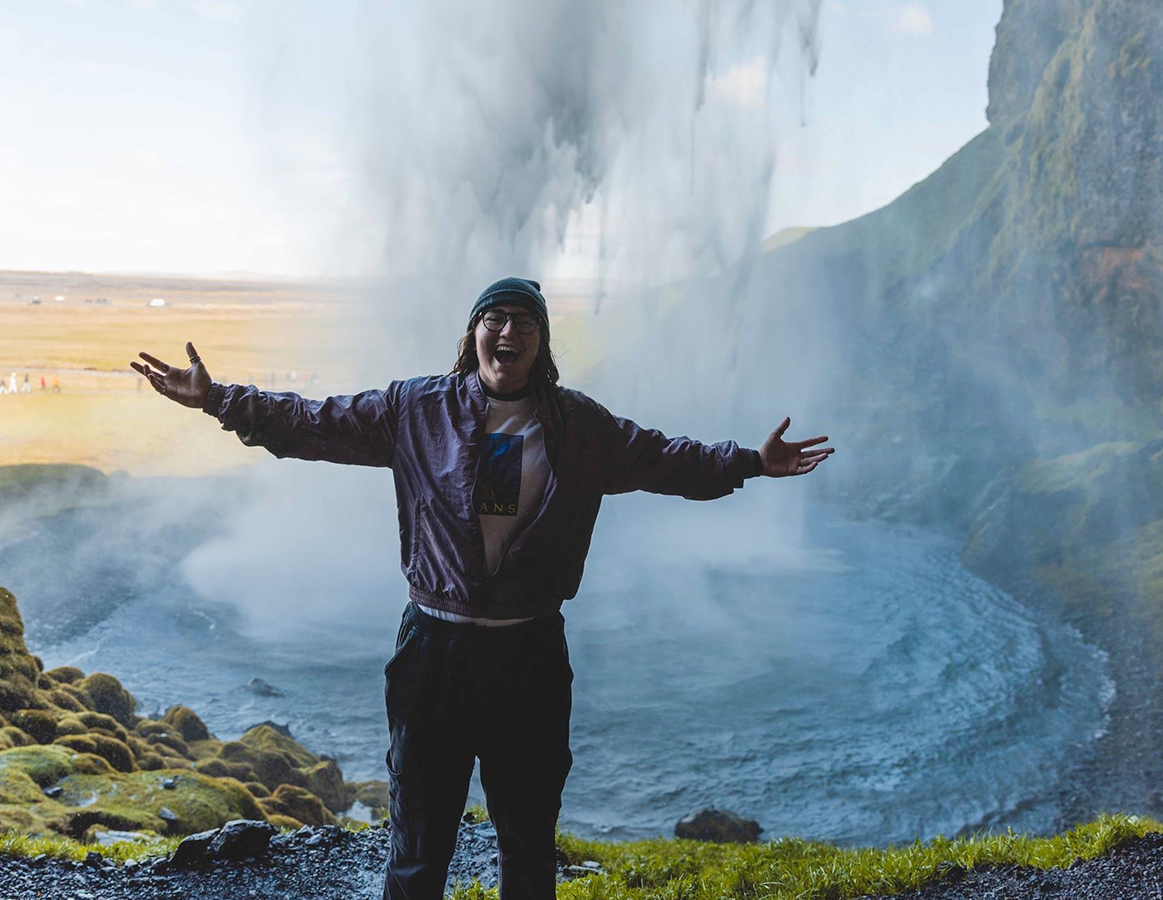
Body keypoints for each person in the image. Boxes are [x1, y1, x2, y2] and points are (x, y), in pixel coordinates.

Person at [130, 277, 834, 900]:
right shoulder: (414, 410)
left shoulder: (579, 426)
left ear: (541, 343)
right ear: (473, 336)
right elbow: (315, 423)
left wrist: (748, 461)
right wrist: (219, 399)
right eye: (494, 318)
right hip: (434, 651)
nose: (509, 332)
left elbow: (663, 458)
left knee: (528, 842)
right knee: (418, 844)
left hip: (529, 655)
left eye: (525, 322)